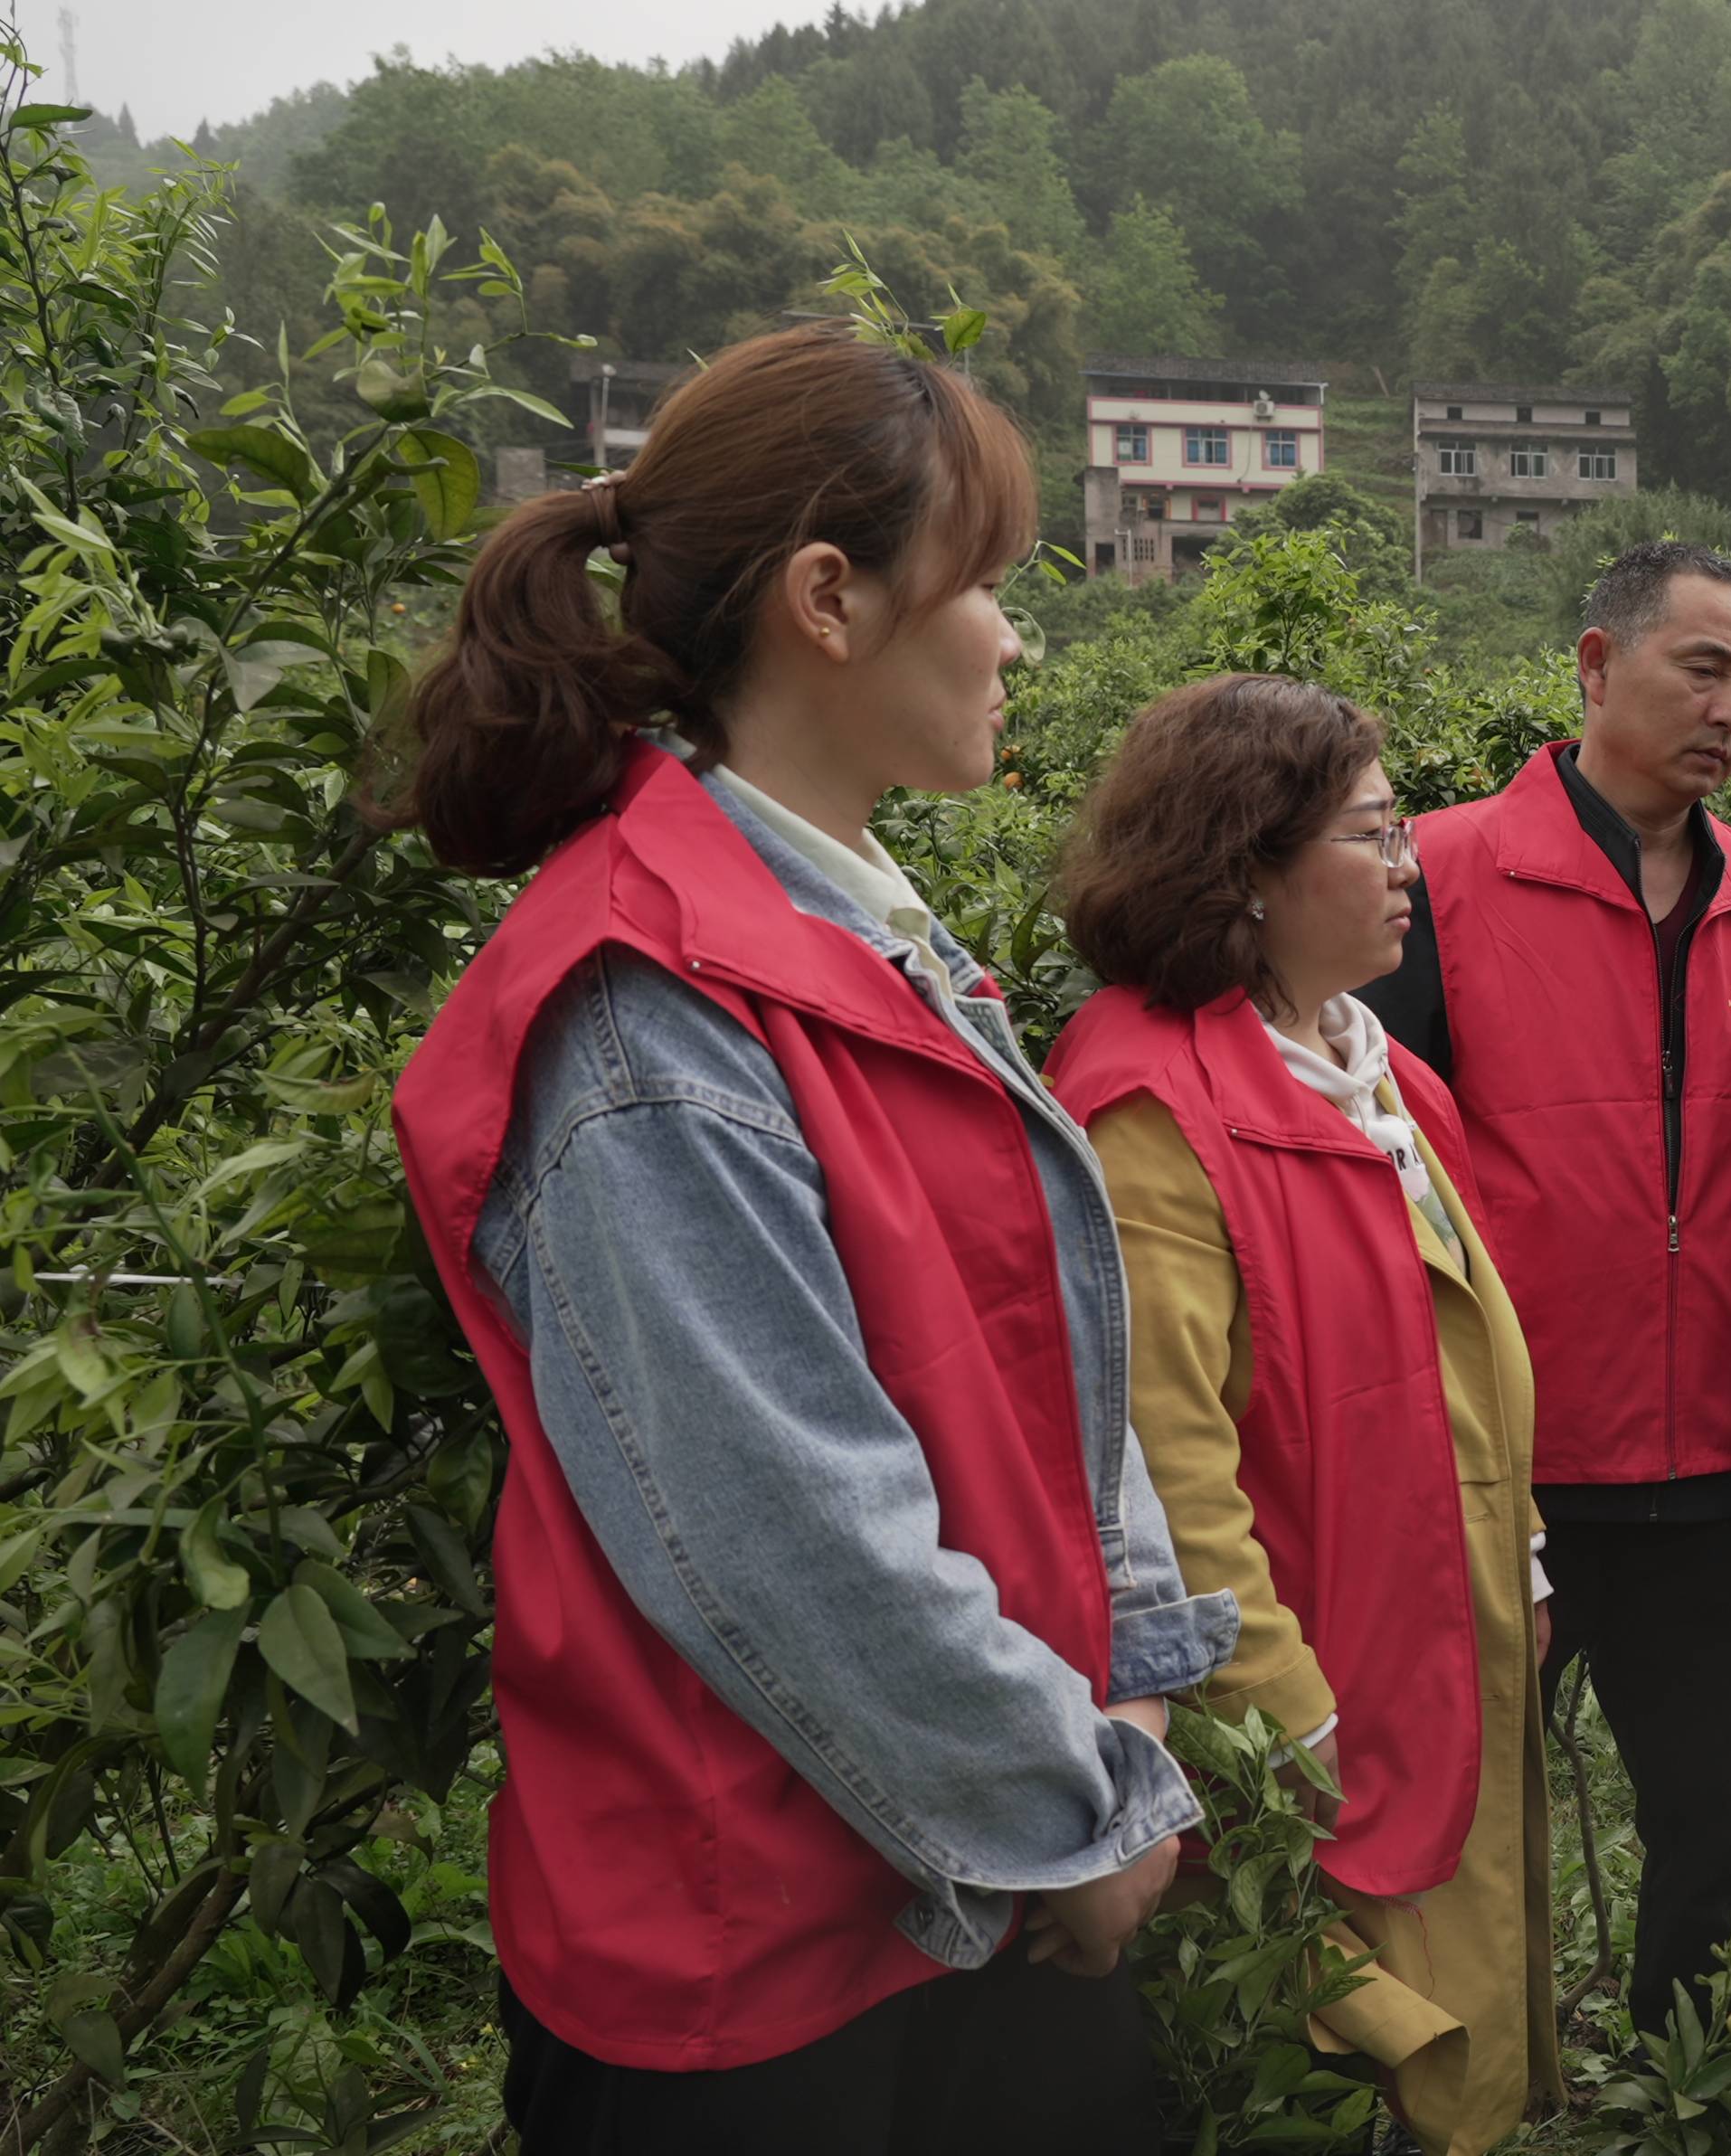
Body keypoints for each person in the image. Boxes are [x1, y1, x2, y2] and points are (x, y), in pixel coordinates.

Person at [381, 323, 1237, 2151]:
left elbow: (1051, 1374)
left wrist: (1135, 1698)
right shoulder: (648, 1014)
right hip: (766, 1963)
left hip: (974, 1866)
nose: (1014, 633)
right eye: (987, 581)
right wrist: (1074, 1799)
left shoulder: (856, 935)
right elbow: (788, 1533)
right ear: (829, 598)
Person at [1044, 676, 1556, 2156]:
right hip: (1330, 1717)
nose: (1408, 871)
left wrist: (1514, 1550)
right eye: (1374, 836)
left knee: (1459, 2022)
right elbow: (1168, 1484)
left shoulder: (1367, 1071)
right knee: (1349, 2056)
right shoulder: (1156, 1116)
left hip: (1436, 1647)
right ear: (1248, 866)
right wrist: (1289, 1735)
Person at [1359, 541, 1731, 2038]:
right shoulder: (1432, 878)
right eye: (1703, 667)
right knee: (1451, 1821)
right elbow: (1369, 1171)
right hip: (1509, 1468)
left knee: (1718, 1821)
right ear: (1596, 663)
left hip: (1721, 1472)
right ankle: (1455, 2092)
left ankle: (1691, 2089)